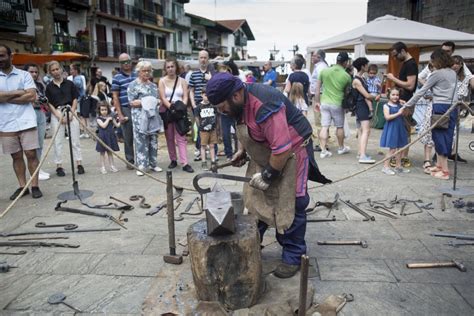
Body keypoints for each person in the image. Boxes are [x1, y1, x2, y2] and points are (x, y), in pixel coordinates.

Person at [206, 72, 331, 278]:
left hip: (293, 151)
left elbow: (281, 149)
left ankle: (293, 255)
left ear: (236, 95)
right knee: (255, 200)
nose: (222, 112)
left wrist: (268, 175)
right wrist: (243, 151)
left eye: (222, 107)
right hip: (265, 150)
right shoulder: (237, 105)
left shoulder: (265, 105)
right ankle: (252, 244)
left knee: (293, 202)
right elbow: (246, 128)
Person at [404, 48, 457, 180]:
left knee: (440, 138)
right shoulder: (452, 72)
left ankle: (444, 171)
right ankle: (439, 166)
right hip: (453, 107)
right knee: (445, 136)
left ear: (437, 60)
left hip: (440, 107)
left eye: (432, 60)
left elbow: (421, 91)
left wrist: (407, 105)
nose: (431, 63)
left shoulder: (437, 74)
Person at [0, 44, 43, 199]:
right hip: (5, 123)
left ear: (10, 56)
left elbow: (31, 96)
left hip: (26, 121)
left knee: (31, 154)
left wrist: (5, 96)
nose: (0, 59)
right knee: (15, 156)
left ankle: (35, 185)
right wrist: (19, 92)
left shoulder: (24, 75)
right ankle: (22, 186)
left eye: (2, 55)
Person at [45, 61, 85, 177]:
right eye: (53, 70)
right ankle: (59, 165)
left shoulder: (69, 84)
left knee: (75, 139)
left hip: (70, 110)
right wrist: (58, 115)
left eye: (57, 69)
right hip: (57, 112)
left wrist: (72, 112)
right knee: (57, 141)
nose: (56, 72)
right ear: (50, 72)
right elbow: (49, 103)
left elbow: (75, 98)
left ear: (61, 69)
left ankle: (79, 163)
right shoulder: (49, 87)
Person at [158, 58, 194, 173]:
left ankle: (185, 162)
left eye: (172, 66)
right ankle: (173, 159)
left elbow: (185, 95)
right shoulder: (162, 81)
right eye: (168, 67)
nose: (170, 69)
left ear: (176, 67)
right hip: (168, 111)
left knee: (181, 136)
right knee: (169, 137)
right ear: (165, 69)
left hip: (180, 111)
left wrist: (181, 106)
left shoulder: (182, 81)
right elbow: (162, 97)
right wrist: (171, 107)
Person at [127, 60, 163, 176]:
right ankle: (142, 165)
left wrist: (150, 102)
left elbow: (158, 100)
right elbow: (132, 102)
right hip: (139, 117)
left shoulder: (153, 86)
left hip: (152, 116)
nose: (146, 73)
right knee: (140, 140)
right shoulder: (133, 85)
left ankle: (153, 163)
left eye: (148, 71)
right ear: (139, 71)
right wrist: (147, 102)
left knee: (153, 139)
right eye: (144, 71)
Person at [386, 42, 418, 168]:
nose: (395, 58)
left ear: (403, 51)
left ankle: (403, 158)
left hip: (407, 102)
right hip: (402, 101)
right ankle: (400, 157)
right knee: (401, 130)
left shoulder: (411, 64)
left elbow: (410, 85)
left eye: (396, 55)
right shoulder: (406, 63)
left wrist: (393, 79)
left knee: (405, 131)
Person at [315, 52, 352, 159]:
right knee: (339, 126)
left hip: (324, 102)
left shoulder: (324, 71)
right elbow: (346, 93)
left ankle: (323, 150)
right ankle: (341, 148)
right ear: (345, 62)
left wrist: (317, 102)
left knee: (324, 126)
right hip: (337, 103)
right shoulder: (346, 76)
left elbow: (317, 89)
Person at [24, 63, 50, 180]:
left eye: (36, 72)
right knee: (32, 145)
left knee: (40, 143)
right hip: (30, 114)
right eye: (31, 72)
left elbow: (44, 99)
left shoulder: (40, 84)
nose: (34, 74)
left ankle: (38, 168)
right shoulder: (23, 84)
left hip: (41, 113)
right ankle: (33, 171)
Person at [352, 57, 379, 164]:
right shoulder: (357, 80)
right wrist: (375, 97)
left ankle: (360, 152)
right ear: (362, 66)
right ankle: (362, 155)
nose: (368, 67)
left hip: (362, 106)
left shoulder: (361, 78)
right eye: (366, 65)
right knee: (366, 130)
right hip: (361, 106)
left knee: (362, 130)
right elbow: (366, 95)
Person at [189, 50, 215, 161]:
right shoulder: (193, 74)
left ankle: (213, 151)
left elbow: (216, 88)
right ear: (198, 59)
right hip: (198, 106)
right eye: (201, 57)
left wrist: (211, 79)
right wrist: (194, 104)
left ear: (208, 59)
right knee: (199, 128)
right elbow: (191, 90)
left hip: (210, 105)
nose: (203, 60)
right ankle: (199, 149)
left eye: (205, 57)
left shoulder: (212, 74)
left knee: (211, 127)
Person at [112, 53, 137, 169]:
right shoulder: (117, 78)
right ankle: (130, 161)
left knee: (141, 136)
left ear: (131, 61)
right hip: (125, 109)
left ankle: (142, 159)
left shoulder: (137, 75)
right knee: (128, 137)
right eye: (123, 62)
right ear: (120, 64)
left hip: (138, 108)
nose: (126, 64)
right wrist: (120, 114)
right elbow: (115, 97)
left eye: (127, 61)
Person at [380, 87, 409, 175]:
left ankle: (398, 166)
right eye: (393, 95)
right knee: (392, 149)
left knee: (400, 148)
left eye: (397, 95)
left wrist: (405, 105)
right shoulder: (386, 106)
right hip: (392, 128)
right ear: (389, 95)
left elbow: (406, 114)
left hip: (400, 128)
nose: (395, 97)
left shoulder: (399, 105)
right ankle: (385, 167)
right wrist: (398, 113)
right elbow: (387, 117)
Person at [416, 62, 435, 173]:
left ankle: (439, 160)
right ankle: (427, 160)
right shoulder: (429, 76)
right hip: (430, 107)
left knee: (441, 136)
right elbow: (420, 79)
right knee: (428, 133)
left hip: (442, 107)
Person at [309, 50, 328, 151]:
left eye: (314, 56)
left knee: (319, 120)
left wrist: (316, 100)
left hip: (319, 96)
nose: (312, 57)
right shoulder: (322, 66)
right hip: (320, 95)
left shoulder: (320, 67)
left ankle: (322, 144)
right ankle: (323, 143)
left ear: (319, 57)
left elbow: (320, 83)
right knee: (321, 120)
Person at [96, 102, 120, 174]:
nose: (104, 111)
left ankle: (112, 166)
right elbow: (103, 126)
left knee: (110, 152)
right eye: (102, 110)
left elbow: (117, 125)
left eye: (105, 110)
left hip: (110, 136)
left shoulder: (111, 118)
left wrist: (121, 120)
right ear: (99, 111)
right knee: (102, 152)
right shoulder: (98, 119)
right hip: (103, 137)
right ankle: (102, 167)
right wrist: (108, 119)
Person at [197, 86, 217, 170]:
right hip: (203, 129)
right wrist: (200, 127)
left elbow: (216, 116)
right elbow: (197, 118)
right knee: (203, 145)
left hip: (212, 129)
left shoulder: (213, 105)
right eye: (205, 95)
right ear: (202, 95)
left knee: (212, 145)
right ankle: (203, 161)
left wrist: (216, 126)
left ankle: (213, 161)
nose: (207, 97)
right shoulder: (199, 107)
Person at [67, 64, 88, 139]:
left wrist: (70, 83)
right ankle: (82, 131)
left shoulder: (78, 78)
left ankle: (83, 131)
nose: (70, 71)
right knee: (80, 116)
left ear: (75, 70)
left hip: (79, 99)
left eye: (71, 69)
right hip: (78, 99)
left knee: (80, 116)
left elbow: (79, 85)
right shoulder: (74, 77)